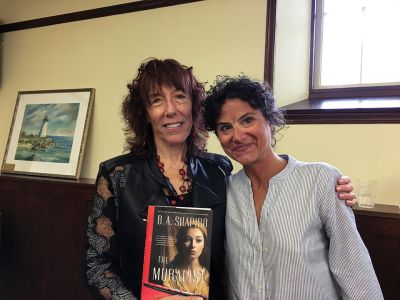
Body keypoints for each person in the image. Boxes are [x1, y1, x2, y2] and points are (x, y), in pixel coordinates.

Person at [85, 58, 355, 300]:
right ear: (144, 112)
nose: (170, 110)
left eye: (179, 97)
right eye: (156, 100)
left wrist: (331, 188)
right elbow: (97, 264)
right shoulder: (116, 176)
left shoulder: (219, 170)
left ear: (194, 106)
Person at [203, 75, 383, 299]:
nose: (238, 136)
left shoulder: (321, 181)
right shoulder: (225, 192)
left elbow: (355, 274)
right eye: (225, 127)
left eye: (248, 120)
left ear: (269, 120)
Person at [163, 224, 210, 297]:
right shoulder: (168, 272)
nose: (193, 245)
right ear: (181, 243)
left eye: (198, 240)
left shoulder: (208, 275)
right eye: (187, 240)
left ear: (204, 244)